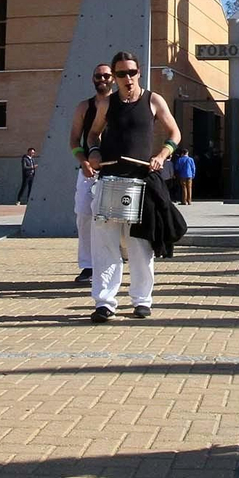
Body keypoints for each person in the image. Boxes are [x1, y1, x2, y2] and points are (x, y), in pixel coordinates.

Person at [85, 51, 181, 321]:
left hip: (141, 183)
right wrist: (93, 151)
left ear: (139, 72)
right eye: (121, 74)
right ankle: (104, 302)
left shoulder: (153, 100)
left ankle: (142, 300)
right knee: (105, 245)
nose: (127, 78)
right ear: (114, 78)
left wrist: (162, 155)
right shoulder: (107, 103)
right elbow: (93, 133)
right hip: (109, 180)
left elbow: (175, 132)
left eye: (131, 72)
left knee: (141, 246)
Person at [68, 64, 115, 283]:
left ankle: (114, 263)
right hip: (90, 171)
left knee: (115, 220)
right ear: (93, 79)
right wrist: (83, 161)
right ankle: (88, 265)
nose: (102, 79)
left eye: (107, 75)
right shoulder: (84, 107)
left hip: (116, 171)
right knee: (85, 216)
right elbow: (74, 139)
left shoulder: (122, 106)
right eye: (98, 76)